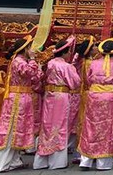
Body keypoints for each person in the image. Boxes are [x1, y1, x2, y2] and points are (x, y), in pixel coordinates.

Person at [0, 35, 42, 172]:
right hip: (18, 99)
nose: (31, 50)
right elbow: (28, 72)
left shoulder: (21, 60)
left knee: (18, 129)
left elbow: (35, 78)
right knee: (11, 129)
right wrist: (34, 61)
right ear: (25, 49)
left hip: (23, 97)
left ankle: (14, 160)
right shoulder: (18, 61)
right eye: (29, 47)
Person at [78, 38, 113, 171]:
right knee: (107, 128)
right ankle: (103, 163)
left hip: (93, 96)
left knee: (90, 126)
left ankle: (86, 161)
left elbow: (89, 79)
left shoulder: (93, 63)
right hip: (109, 98)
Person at [33, 38, 81, 170]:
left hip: (49, 96)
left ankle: (41, 161)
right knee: (60, 126)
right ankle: (57, 162)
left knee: (47, 126)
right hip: (61, 97)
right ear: (65, 52)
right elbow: (76, 82)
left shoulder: (49, 64)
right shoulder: (67, 66)